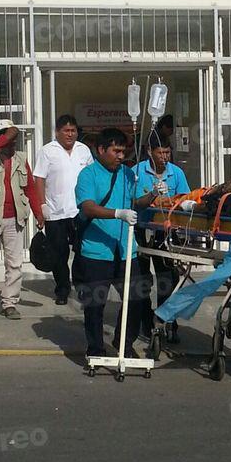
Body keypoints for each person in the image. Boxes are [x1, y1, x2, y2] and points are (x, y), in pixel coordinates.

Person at [74, 128, 158, 359]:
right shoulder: (88, 175)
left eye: (123, 151)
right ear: (101, 150)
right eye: (116, 151)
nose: (121, 156)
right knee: (95, 305)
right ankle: (95, 349)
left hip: (126, 250)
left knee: (137, 297)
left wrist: (151, 195)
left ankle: (124, 343)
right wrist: (117, 213)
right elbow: (88, 207)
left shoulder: (128, 174)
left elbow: (136, 201)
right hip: (96, 251)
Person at [0, 120, 44, 321]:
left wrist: (38, 212)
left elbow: (29, 187)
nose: (13, 144)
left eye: (14, 140)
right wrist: (5, 138)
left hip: (14, 218)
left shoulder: (21, 159)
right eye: (9, 140)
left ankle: (9, 303)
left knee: (14, 264)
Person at [132, 133, 190, 340]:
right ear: (150, 152)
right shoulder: (137, 172)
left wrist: (172, 202)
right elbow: (134, 202)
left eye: (167, 152)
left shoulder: (176, 173)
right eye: (160, 153)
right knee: (142, 281)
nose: (164, 157)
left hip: (166, 233)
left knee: (168, 278)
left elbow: (186, 200)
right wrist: (153, 196)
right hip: (142, 231)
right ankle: (146, 322)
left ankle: (168, 321)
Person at [33, 115, 93, 305]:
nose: (70, 134)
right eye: (66, 131)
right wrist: (41, 206)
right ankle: (62, 289)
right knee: (59, 254)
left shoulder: (84, 150)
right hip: (55, 211)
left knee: (83, 251)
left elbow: (91, 176)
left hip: (79, 211)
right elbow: (39, 179)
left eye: (73, 130)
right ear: (57, 132)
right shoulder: (47, 151)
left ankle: (81, 286)